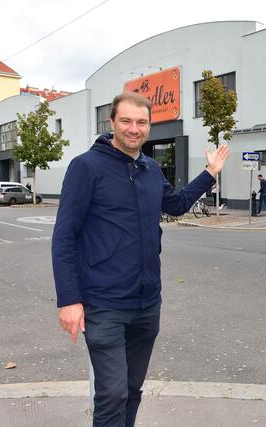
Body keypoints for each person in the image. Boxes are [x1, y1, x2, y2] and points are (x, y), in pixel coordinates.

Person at [52, 92, 229, 427]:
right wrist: (69, 299)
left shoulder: (149, 168)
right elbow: (64, 235)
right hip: (104, 302)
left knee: (133, 389)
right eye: (127, 121)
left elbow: (175, 204)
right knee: (112, 394)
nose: (134, 129)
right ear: (112, 123)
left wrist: (209, 173)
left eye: (142, 122)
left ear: (149, 125)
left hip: (147, 303)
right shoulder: (86, 167)